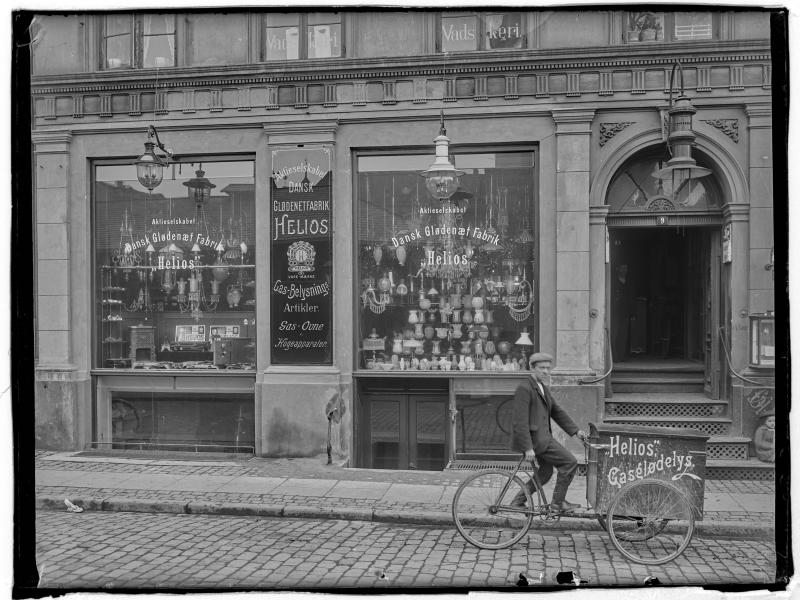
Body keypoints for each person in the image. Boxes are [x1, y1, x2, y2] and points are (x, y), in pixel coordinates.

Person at [509, 352, 587, 511]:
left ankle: (517, 502)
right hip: (537, 441)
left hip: (542, 439)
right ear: (532, 368)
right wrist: (527, 447)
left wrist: (576, 431)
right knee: (569, 462)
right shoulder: (524, 388)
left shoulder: (541, 387)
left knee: (545, 473)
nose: (545, 371)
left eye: (548, 368)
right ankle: (558, 503)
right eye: (541, 368)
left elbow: (556, 411)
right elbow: (520, 421)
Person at [611, 264, 634, 361]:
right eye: (622, 268)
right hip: (615, 311)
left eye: (626, 268)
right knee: (614, 334)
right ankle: (614, 357)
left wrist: (632, 313)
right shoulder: (612, 281)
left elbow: (632, 297)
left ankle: (621, 356)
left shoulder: (629, 282)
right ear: (617, 269)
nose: (624, 270)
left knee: (623, 335)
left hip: (625, 311)